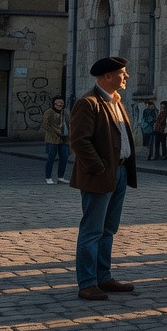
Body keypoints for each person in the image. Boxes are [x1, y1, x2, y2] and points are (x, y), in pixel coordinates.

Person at [70, 57, 138, 300]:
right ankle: (88, 283)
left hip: (119, 173)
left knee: (109, 229)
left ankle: (104, 277)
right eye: (122, 73)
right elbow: (79, 141)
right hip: (99, 176)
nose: (127, 77)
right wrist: (99, 168)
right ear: (107, 76)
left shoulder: (116, 102)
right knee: (92, 230)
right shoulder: (88, 103)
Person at [43, 95, 70, 184]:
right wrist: (57, 133)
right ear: (54, 104)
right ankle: (48, 177)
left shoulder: (65, 112)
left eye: (62, 103)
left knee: (64, 157)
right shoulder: (49, 112)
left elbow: (70, 123)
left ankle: (61, 177)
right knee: (51, 157)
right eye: (58, 103)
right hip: (52, 138)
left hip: (64, 138)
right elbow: (45, 125)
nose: (60, 104)